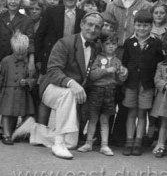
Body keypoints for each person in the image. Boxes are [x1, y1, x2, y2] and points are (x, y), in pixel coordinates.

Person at [12, 12, 104, 159]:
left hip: (73, 94)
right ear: (81, 24)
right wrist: (71, 82)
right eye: (90, 25)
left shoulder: (97, 47)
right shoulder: (65, 43)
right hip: (50, 87)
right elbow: (53, 70)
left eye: (97, 27)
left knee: (72, 143)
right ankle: (58, 144)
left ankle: (33, 129)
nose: (93, 29)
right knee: (68, 93)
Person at [104, 0, 152, 146]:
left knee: (128, 91)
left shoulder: (145, 5)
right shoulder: (112, 4)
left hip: (134, 52)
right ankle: (105, 135)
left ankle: (121, 135)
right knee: (110, 90)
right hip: (114, 50)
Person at [35, 0, 85, 128]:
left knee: (66, 94)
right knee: (47, 94)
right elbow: (40, 35)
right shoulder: (52, 11)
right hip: (51, 58)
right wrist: (39, 58)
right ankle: (41, 128)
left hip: (71, 60)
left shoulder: (82, 14)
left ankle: (62, 130)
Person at [122, 10, 164, 156]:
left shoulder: (156, 42)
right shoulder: (128, 42)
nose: (142, 28)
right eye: (139, 25)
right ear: (134, 25)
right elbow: (125, 62)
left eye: (145, 26)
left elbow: (159, 63)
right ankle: (129, 140)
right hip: (131, 83)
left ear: (151, 26)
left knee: (142, 113)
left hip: (147, 84)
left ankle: (138, 141)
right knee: (131, 112)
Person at [78, 33, 127, 155]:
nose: (111, 46)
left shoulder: (117, 61)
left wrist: (123, 74)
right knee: (93, 118)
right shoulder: (98, 58)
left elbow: (120, 81)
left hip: (110, 92)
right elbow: (92, 75)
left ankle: (104, 145)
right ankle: (88, 143)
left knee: (105, 120)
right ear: (102, 45)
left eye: (113, 44)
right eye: (107, 44)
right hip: (96, 91)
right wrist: (106, 70)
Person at [0, 32, 36, 145]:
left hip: (22, 92)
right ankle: (6, 134)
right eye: (18, 53)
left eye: (23, 53)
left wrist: (28, 82)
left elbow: (34, 78)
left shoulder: (29, 63)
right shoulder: (6, 61)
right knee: (7, 114)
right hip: (8, 92)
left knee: (21, 114)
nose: (20, 56)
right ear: (13, 48)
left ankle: (16, 133)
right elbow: (1, 76)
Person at [0, 0, 35, 77]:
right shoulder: (1, 17)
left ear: (21, 1)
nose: (13, 1)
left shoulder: (27, 20)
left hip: (19, 61)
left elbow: (30, 42)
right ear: (5, 0)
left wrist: (31, 62)